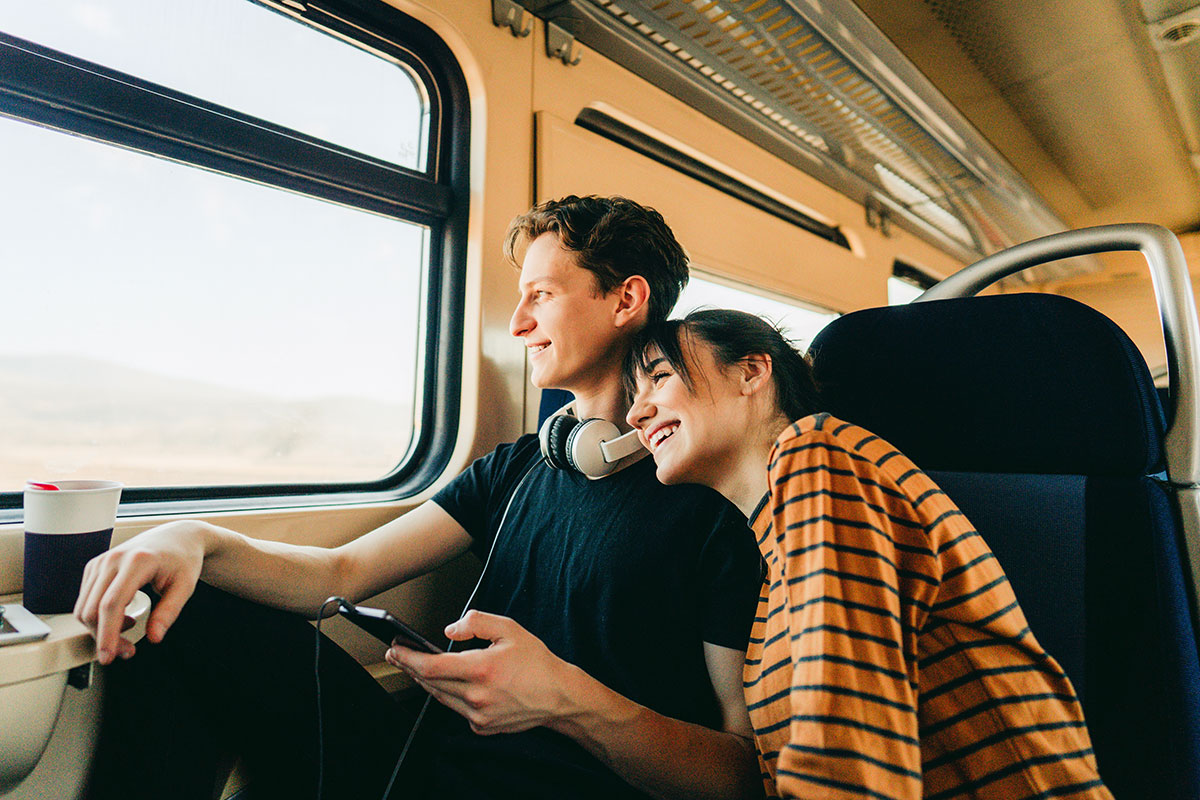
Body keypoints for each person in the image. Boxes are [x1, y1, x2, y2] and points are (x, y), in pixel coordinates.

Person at [76, 197, 764, 800]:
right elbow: (339, 575)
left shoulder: (710, 503)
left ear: (625, 300)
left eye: (543, 296)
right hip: (428, 771)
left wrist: (564, 700)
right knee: (189, 607)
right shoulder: (519, 467)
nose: (519, 322)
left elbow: (743, 773)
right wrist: (194, 537)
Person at [624, 308, 1113, 800]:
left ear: (751, 371)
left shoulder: (816, 456)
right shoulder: (771, 560)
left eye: (660, 377)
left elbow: (847, 741)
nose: (635, 414)